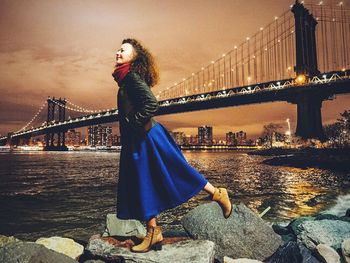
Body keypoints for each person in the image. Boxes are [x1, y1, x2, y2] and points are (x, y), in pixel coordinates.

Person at [112, 38, 232, 253]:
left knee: (178, 170)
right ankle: (153, 232)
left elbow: (151, 103)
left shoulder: (131, 77)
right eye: (118, 50)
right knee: (143, 184)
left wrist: (131, 124)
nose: (117, 53)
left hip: (147, 137)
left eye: (123, 50)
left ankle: (218, 193)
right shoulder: (126, 78)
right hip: (138, 139)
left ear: (134, 57)